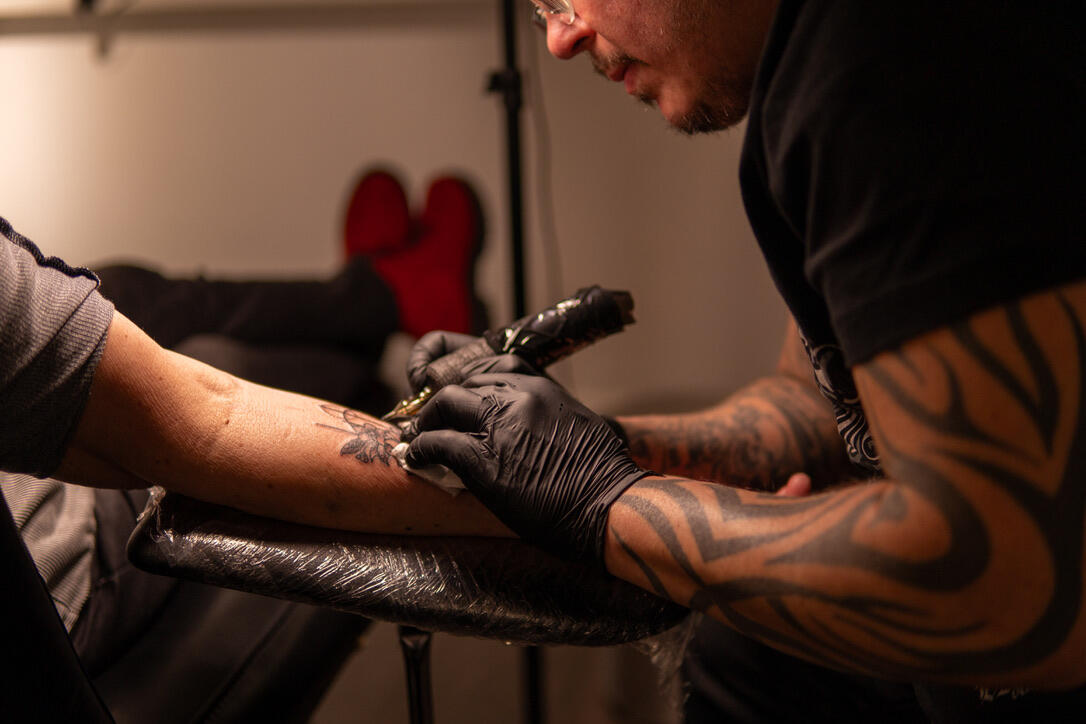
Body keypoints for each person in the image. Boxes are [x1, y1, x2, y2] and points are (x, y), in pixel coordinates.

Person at [401, 1, 1086, 721]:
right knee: (741, 660)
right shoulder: (810, 69)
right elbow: (808, 403)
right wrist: (568, 447)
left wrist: (607, 503)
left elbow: (1006, 580)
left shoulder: (888, 61)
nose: (560, 38)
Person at [0, 168, 506, 722]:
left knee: (120, 288)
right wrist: (517, 497)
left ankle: (379, 295)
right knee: (214, 361)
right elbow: (207, 418)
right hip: (57, 560)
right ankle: (387, 298)